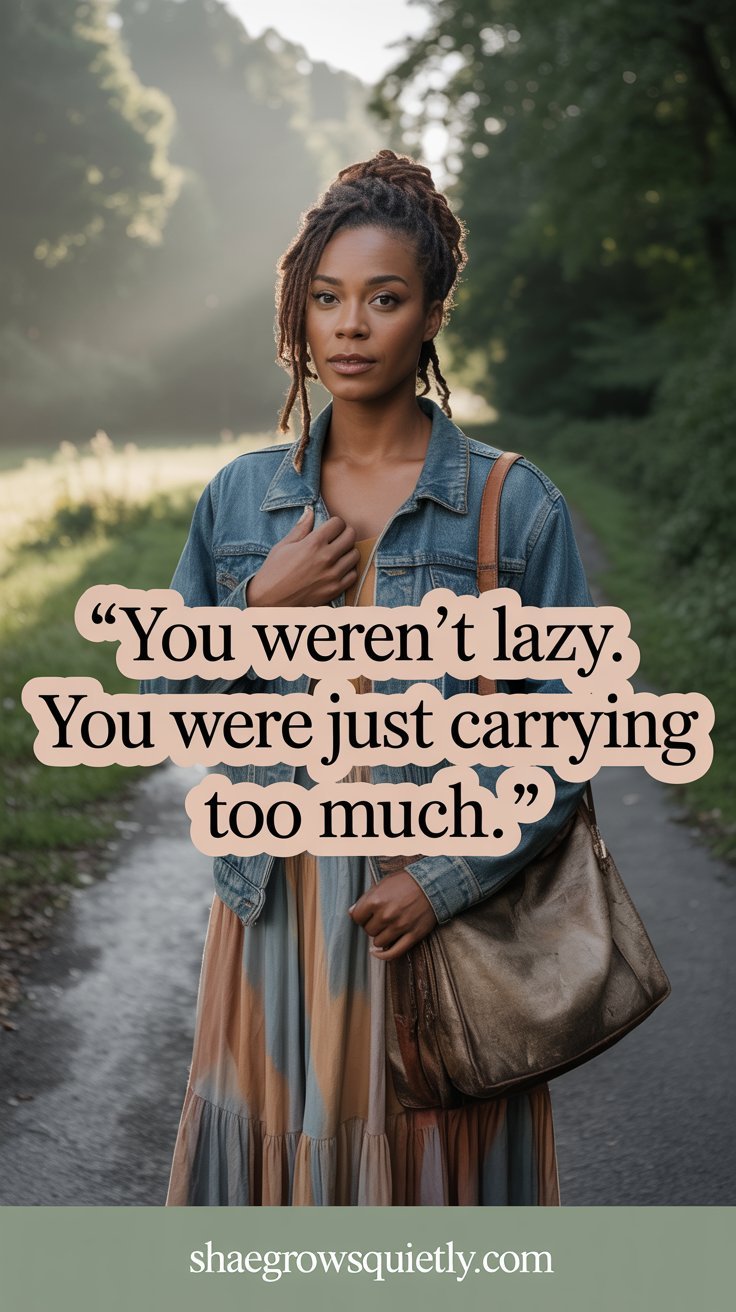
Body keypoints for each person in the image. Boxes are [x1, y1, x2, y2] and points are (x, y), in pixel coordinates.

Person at [143, 149, 593, 1206]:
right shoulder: (241, 503)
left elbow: (569, 739)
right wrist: (256, 613)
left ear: (430, 313)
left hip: (429, 920)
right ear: (298, 316)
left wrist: (437, 880)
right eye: (326, 299)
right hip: (274, 920)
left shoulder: (515, 508)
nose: (349, 326)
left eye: (383, 299)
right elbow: (171, 709)